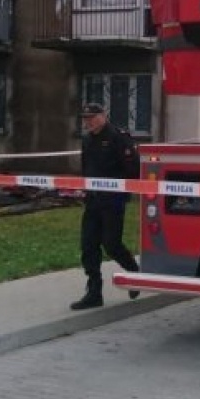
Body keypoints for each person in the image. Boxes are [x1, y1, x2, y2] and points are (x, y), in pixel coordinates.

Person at [70, 102, 141, 310]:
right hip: (93, 200)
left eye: (92, 118)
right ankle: (94, 292)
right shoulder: (87, 140)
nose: (88, 122)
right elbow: (87, 169)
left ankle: (135, 273)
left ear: (103, 116)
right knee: (88, 245)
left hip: (113, 200)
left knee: (111, 244)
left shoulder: (119, 137)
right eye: (85, 119)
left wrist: (120, 189)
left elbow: (133, 169)